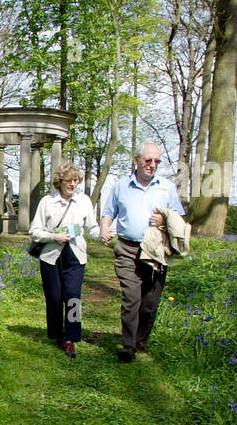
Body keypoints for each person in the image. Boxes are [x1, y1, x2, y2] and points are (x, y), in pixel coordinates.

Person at [99, 142, 185, 362]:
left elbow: (179, 220)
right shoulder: (121, 186)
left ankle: (141, 342)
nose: (152, 165)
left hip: (156, 253)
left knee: (149, 303)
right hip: (128, 249)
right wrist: (105, 228)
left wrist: (165, 219)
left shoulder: (166, 187)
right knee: (132, 297)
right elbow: (108, 213)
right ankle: (128, 345)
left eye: (157, 161)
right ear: (136, 160)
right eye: (148, 160)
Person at [29, 162, 98, 359]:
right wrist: (54, 237)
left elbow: (91, 228)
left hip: (76, 255)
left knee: (73, 296)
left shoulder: (84, 201)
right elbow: (35, 231)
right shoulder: (47, 202)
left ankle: (71, 338)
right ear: (60, 181)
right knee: (54, 298)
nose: (73, 184)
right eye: (69, 180)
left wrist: (102, 234)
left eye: (76, 181)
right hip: (51, 256)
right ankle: (57, 335)